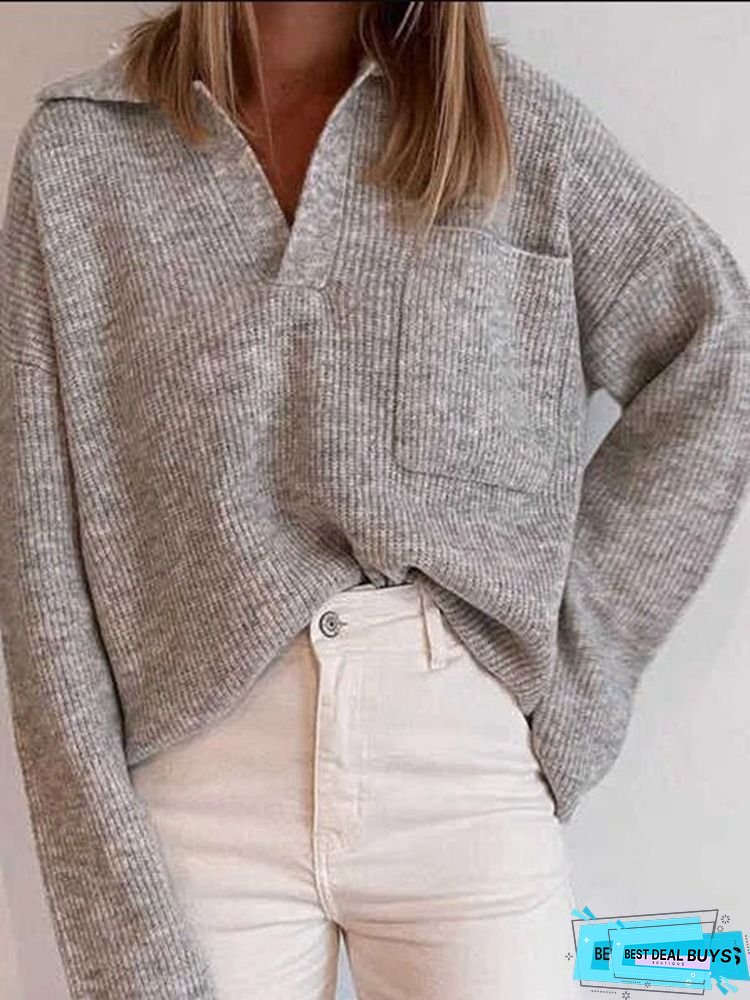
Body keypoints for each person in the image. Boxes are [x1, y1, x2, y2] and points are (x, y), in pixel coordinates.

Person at [1, 2, 748, 998]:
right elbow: (38, 568)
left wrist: (572, 678)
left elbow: (717, 351)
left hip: (459, 768)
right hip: (194, 792)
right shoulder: (81, 153)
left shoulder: (513, 131)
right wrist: (112, 904)